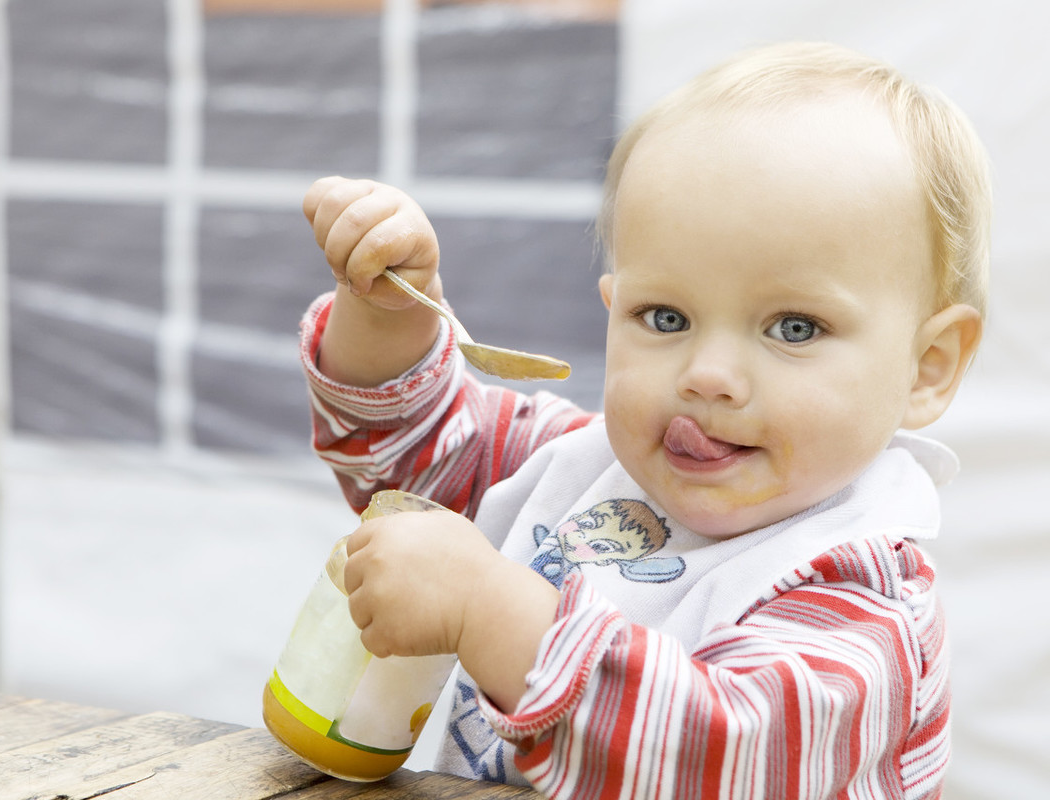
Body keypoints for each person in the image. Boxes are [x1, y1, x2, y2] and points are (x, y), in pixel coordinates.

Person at [296, 41, 990, 799]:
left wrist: (486, 610)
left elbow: (715, 760)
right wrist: (388, 315)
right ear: (611, 308)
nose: (708, 375)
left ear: (928, 367)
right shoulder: (582, 467)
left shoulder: (862, 598)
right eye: (665, 317)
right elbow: (411, 454)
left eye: (793, 327)